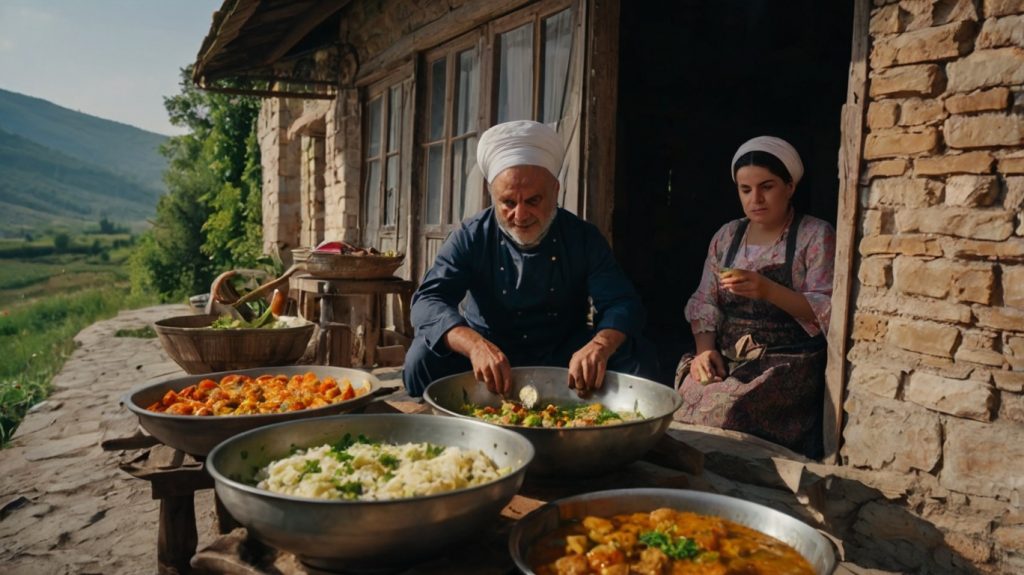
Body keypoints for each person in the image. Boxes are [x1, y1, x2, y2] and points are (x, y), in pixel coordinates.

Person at [402, 120, 658, 397]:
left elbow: (622, 303)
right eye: (508, 203)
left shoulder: (583, 237)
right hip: (488, 356)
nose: (520, 216)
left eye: (533, 201)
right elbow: (428, 301)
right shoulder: (470, 236)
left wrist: (598, 346)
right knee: (421, 359)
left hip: (562, 354)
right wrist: (474, 345)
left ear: (555, 190)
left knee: (638, 357)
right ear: (493, 196)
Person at [674, 135, 835, 458]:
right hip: (730, 355)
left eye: (768, 186)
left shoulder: (814, 236)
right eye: (745, 190)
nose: (756, 199)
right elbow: (705, 300)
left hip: (787, 361)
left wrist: (768, 290)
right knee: (682, 408)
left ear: (790, 186)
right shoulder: (727, 236)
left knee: (726, 413)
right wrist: (704, 352)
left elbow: (826, 310)